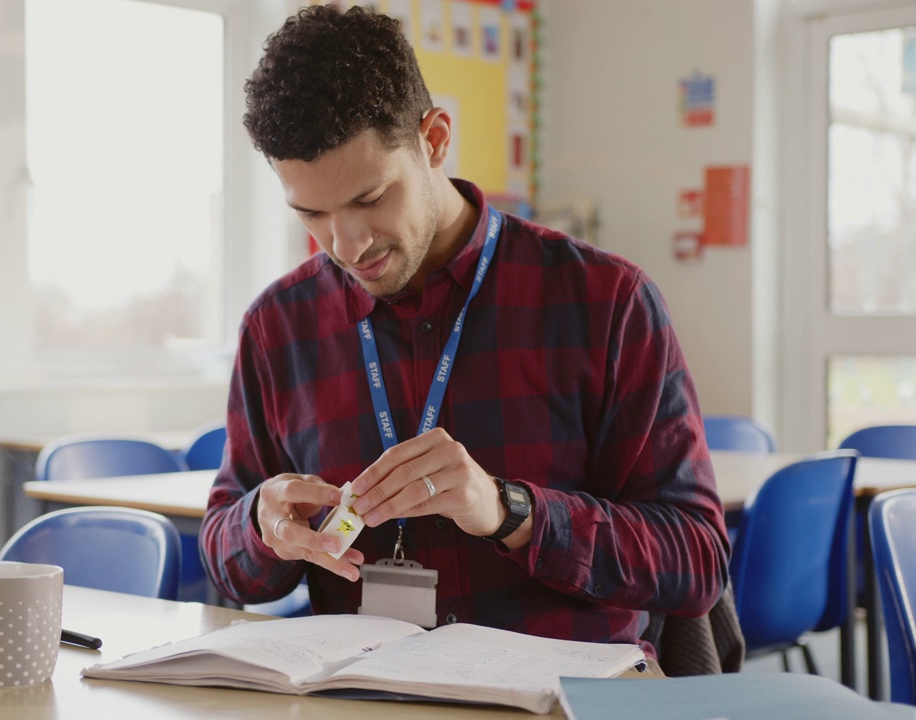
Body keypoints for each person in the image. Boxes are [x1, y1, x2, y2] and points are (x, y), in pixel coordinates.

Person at [200, 3, 728, 654]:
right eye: (312, 213)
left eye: (370, 198)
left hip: (559, 694)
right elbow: (225, 554)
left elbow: (698, 560)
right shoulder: (278, 327)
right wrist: (259, 524)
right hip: (364, 696)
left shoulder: (606, 301)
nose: (347, 244)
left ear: (436, 139)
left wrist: (512, 512)